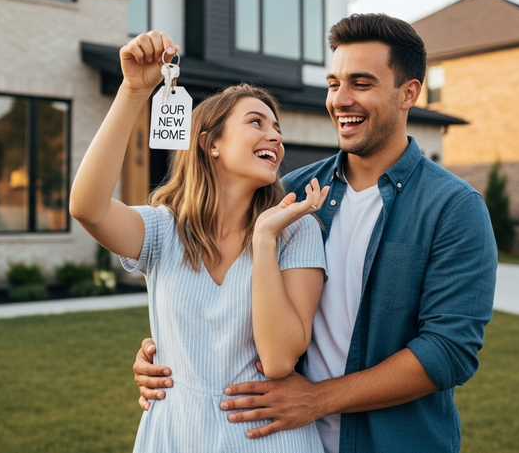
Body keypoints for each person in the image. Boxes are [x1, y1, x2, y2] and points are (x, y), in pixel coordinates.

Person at [132, 14, 498, 452]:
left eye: (361, 83)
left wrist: (317, 401)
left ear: (409, 93)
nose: (340, 100)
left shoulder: (454, 208)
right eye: (333, 83)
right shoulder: (285, 196)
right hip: (284, 440)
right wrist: (165, 355)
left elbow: (448, 351)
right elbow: (225, 289)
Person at [69, 30, 330, 452]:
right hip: (175, 435)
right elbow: (87, 207)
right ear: (211, 144)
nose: (276, 137)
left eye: (277, 129)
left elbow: (280, 359)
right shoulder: (163, 230)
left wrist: (264, 238)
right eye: (256, 123)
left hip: (265, 439)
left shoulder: (296, 231)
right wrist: (134, 91)